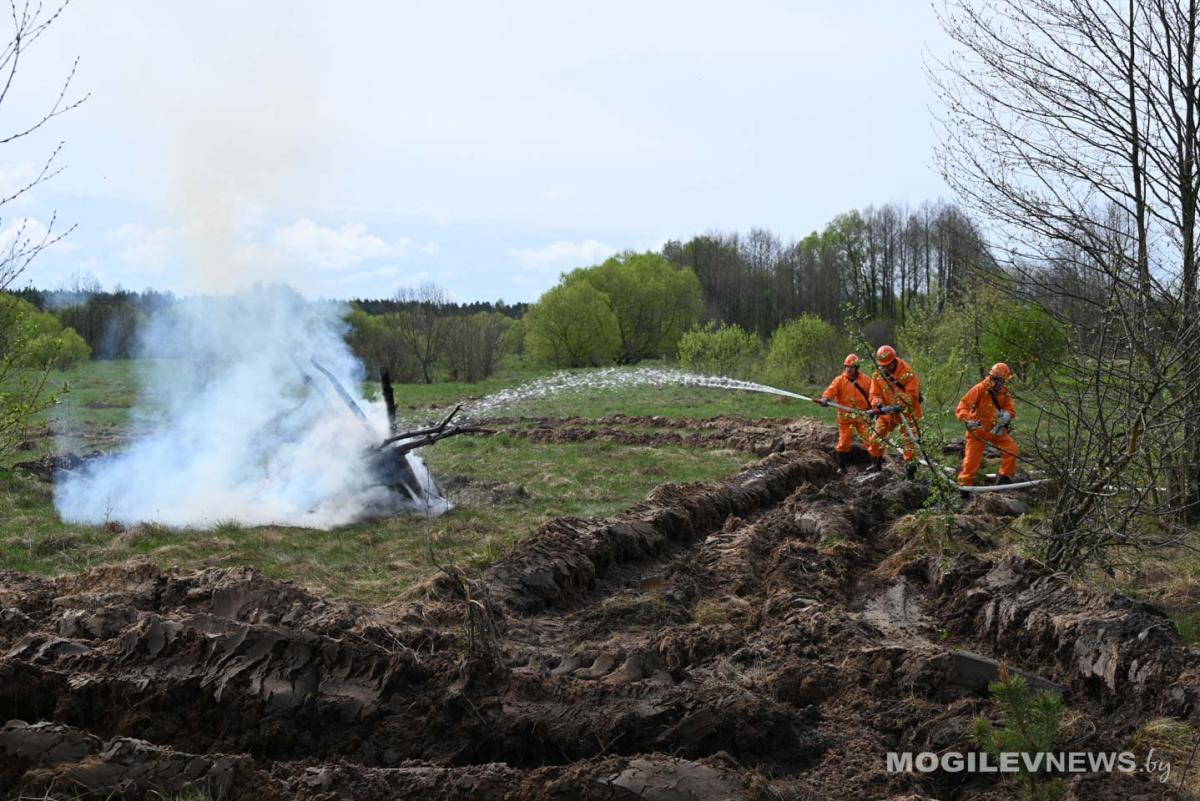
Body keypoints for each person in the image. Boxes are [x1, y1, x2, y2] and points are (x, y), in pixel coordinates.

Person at [956, 362, 1018, 486]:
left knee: (1012, 450)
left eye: (1004, 381)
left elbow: (1010, 409)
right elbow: (962, 406)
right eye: (1002, 381)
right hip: (978, 432)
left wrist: (1007, 416)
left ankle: (1004, 478)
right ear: (994, 378)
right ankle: (963, 487)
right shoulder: (979, 389)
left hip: (997, 430)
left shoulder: (1004, 392)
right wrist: (968, 419)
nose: (1003, 384)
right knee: (970, 463)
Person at [867, 344, 923, 479]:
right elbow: (874, 394)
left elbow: (913, 394)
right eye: (882, 365)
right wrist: (878, 404)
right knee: (876, 437)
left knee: (910, 444)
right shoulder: (878, 375)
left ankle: (911, 475)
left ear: (894, 361)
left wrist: (900, 404)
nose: (885, 368)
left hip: (908, 412)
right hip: (888, 413)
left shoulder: (907, 372)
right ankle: (876, 466)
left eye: (887, 365)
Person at [814, 353, 874, 473]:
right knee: (844, 441)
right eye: (846, 367)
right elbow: (831, 390)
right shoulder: (839, 380)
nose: (848, 369)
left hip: (862, 416)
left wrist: (874, 408)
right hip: (845, 418)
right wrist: (826, 398)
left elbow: (873, 394)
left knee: (869, 440)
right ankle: (842, 467)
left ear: (857, 368)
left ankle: (876, 463)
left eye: (851, 367)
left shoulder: (866, 380)